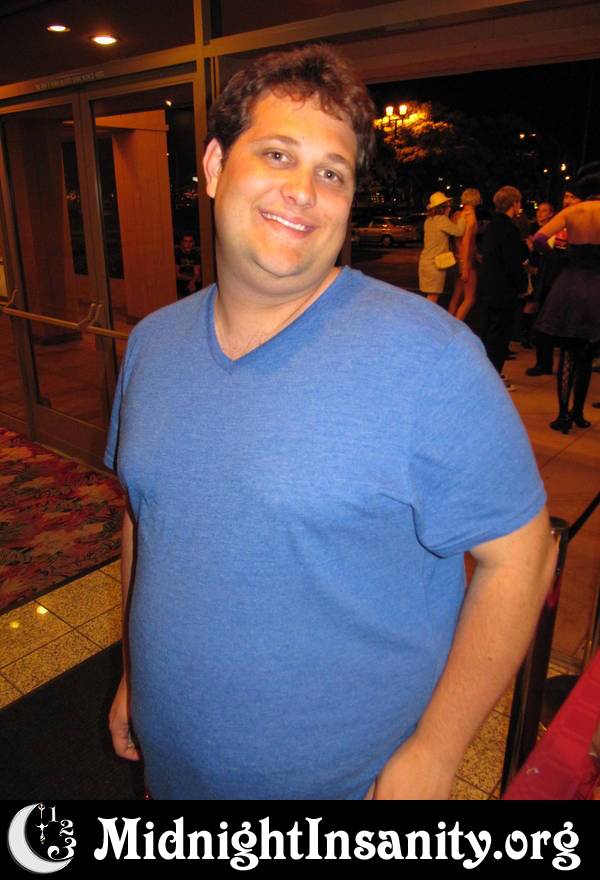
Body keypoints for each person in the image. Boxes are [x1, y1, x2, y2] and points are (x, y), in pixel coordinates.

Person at [106, 44, 555, 800]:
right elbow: (144, 520)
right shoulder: (153, 344)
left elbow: (524, 560)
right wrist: (134, 674)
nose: (303, 191)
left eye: (332, 172)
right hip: (174, 763)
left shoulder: (429, 358)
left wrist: (435, 753)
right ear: (214, 166)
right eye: (278, 154)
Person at [533, 162, 600, 433]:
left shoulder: (571, 212)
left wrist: (559, 259)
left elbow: (539, 239)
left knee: (568, 355)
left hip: (570, 284)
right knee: (587, 354)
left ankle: (562, 415)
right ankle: (578, 412)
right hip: (597, 287)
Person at [476, 186, 528, 388]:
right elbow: (512, 263)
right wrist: (522, 285)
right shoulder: (509, 229)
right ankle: (493, 378)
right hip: (502, 290)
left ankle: (486, 374)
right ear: (514, 204)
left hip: (488, 287)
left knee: (488, 333)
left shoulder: (491, 227)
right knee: (499, 337)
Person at [418, 192, 468, 303]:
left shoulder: (429, 220)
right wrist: (463, 218)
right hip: (434, 265)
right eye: (448, 206)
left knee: (429, 298)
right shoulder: (441, 220)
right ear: (443, 207)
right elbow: (458, 231)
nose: (450, 208)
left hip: (425, 262)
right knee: (432, 299)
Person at [448, 188, 482, 322]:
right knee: (469, 299)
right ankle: (455, 328)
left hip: (457, 258)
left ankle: (447, 325)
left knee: (456, 296)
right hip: (466, 260)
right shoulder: (471, 217)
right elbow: (466, 242)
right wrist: (465, 266)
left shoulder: (457, 215)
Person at [174, 232, 202, 298]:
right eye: (186, 241)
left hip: (193, 282)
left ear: (193, 243)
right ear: (181, 242)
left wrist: (192, 282)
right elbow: (177, 275)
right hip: (180, 283)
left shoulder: (195, 254)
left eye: (190, 241)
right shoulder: (177, 254)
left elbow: (197, 273)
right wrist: (192, 280)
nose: (188, 244)